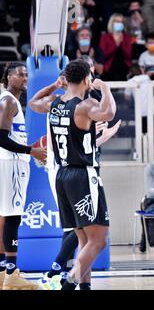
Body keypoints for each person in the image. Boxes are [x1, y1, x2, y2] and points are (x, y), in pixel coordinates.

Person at [29, 59, 116, 290]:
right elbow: (108, 112)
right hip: (83, 176)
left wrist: (54, 86)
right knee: (98, 240)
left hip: (63, 176)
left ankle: (84, 287)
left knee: (84, 240)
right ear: (87, 79)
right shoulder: (84, 105)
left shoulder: (54, 103)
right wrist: (105, 88)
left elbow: (32, 102)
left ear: (66, 79)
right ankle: (66, 283)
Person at [0, 62, 46, 290]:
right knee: (13, 217)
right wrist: (31, 150)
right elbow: (0, 138)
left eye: (26, 74)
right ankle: (11, 273)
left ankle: (3, 273)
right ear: (8, 77)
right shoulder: (8, 100)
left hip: (10, 163)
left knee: (7, 217)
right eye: (20, 74)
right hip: (12, 165)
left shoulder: (10, 100)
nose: (25, 77)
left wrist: (28, 147)